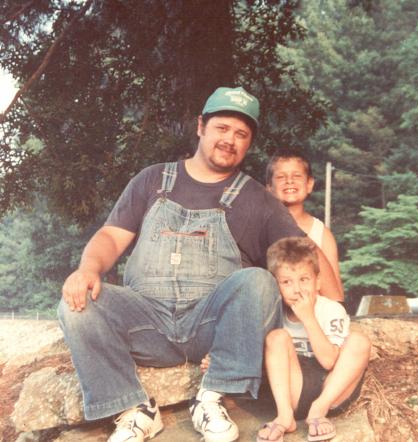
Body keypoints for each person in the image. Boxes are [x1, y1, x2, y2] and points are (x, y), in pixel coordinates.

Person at [58, 86, 343, 442]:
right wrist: (88, 269)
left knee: (257, 280)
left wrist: (334, 309)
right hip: (147, 322)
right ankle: (134, 409)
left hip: (213, 328)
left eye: (241, 134)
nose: (229, 140)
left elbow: (308, 262)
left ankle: (212, 396)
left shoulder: (257, 198)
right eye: (222, 128)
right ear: (200, 127)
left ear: (248, 143)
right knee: (75, 304)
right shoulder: (152, 179)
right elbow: (111, 237)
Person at [256, 237, 369, 442]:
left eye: (304, 279)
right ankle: (285, 416)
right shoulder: (274, 312)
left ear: (318, 282)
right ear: (276, 286)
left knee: (359, 341)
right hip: (295, 390)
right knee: (276, 337)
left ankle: (318, 411)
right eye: (286, 282)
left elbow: (329, 361)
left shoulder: (331, 309)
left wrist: (308, 318)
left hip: (332, 389)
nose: (297, 289)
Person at [265, 149, 343, 296]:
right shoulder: (260, 228)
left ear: (309, 184)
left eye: (297, 176)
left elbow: (335, 291)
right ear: (269, 188)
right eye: (281, 177)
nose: (289, 181)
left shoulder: (321, 233)